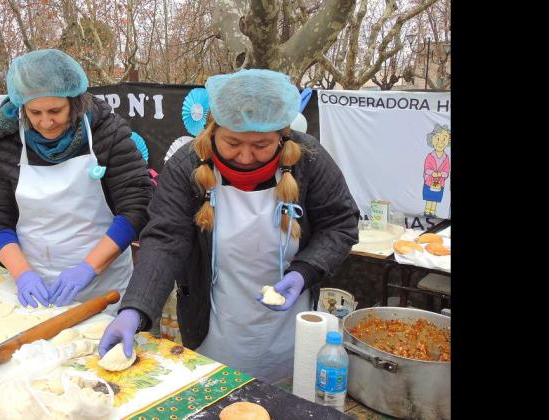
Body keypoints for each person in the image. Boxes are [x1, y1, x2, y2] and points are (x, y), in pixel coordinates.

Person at [98, 69, 359, 383]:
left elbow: (340, 224)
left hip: (289, 327)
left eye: (261, 145)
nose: (246, 156)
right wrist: (134, 309)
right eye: (233, 143)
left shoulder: (309, 161)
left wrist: (304, 271)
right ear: (212, 129)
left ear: (282, 136)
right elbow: (166, 241)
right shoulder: (186, 167)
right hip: (213, 326)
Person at [0, 49, 151, 313]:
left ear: (74, 102)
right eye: (35, 113)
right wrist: (22, 274)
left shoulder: (107, 133)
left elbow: (137, 206)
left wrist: (88, 268)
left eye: (56, 110)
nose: (46, 122)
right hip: (36, 284)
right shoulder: (5, 145)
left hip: (105, 284)